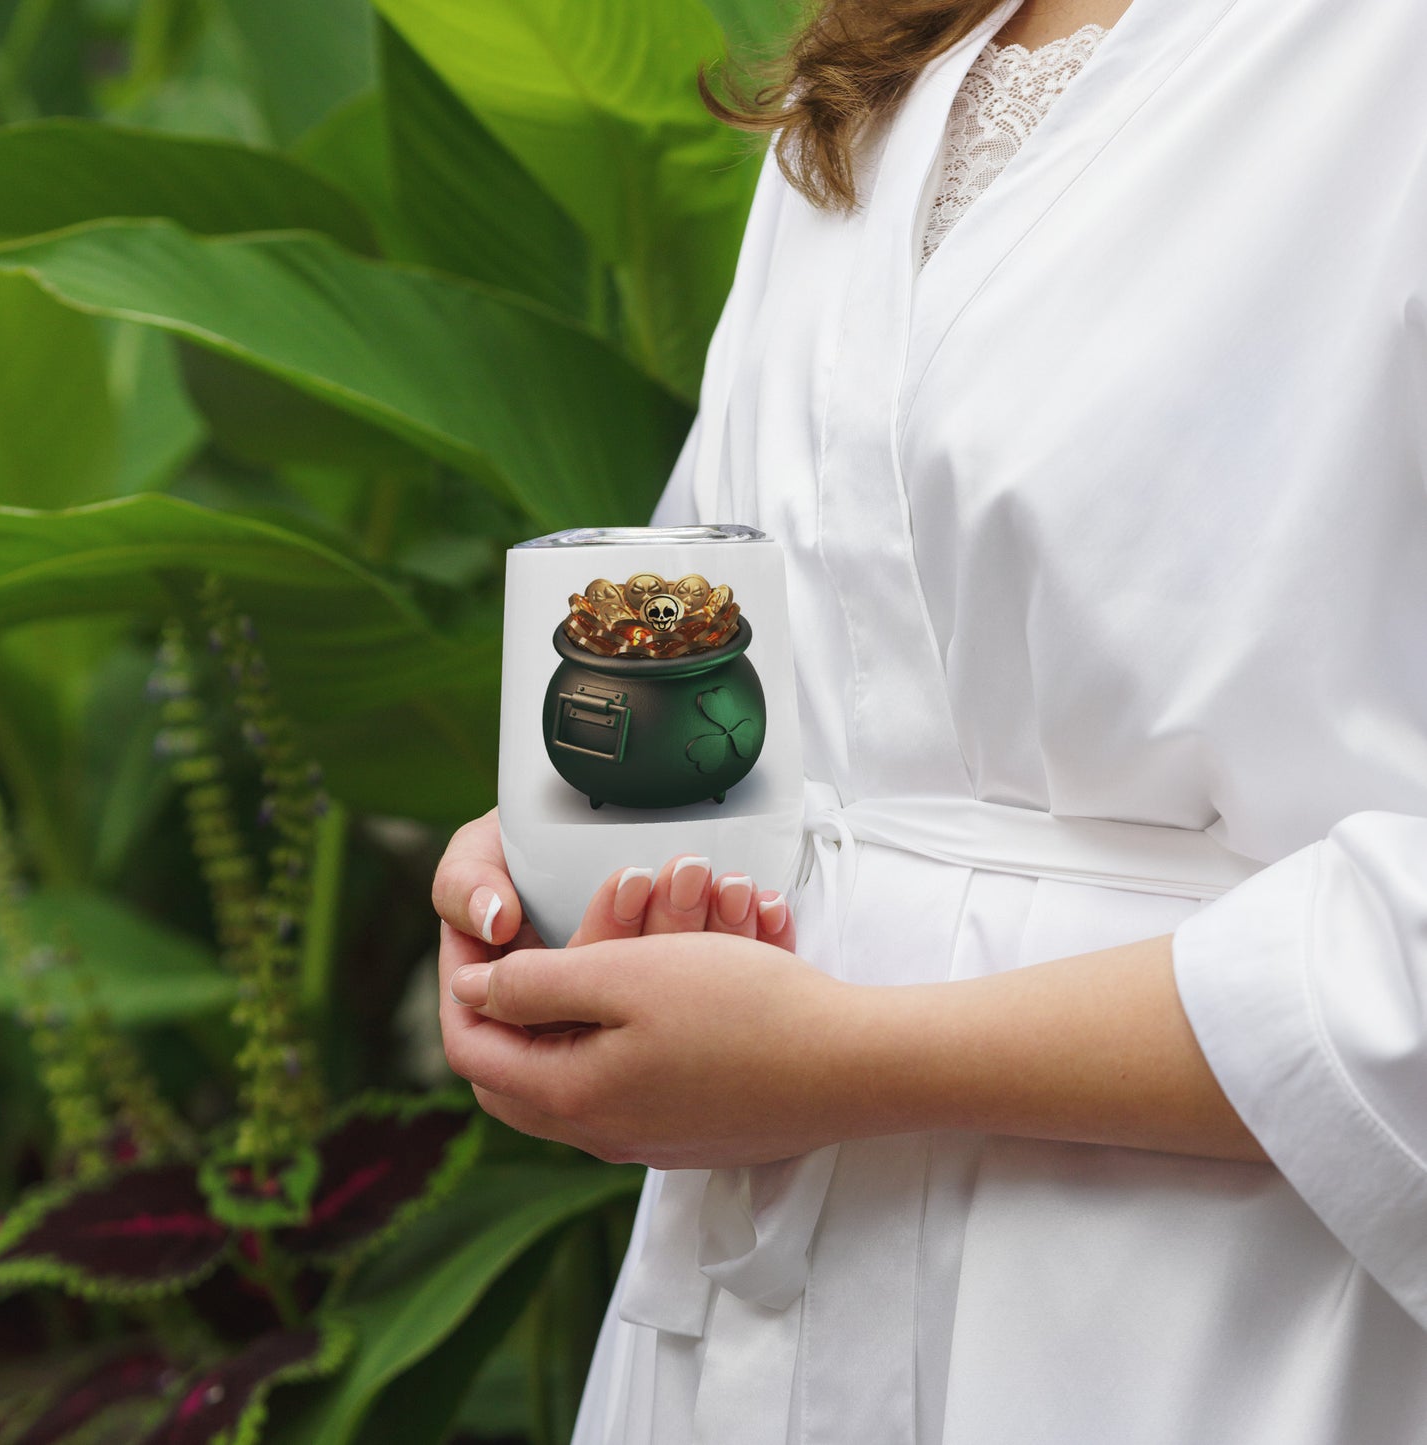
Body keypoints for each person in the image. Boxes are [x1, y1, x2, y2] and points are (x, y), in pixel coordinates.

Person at [433, 0, 1427, 1439]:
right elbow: (780, 641)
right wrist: (571, 855)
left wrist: (848, 1059)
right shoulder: (891, 52)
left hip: (1216, 1317)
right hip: (761, 1309)